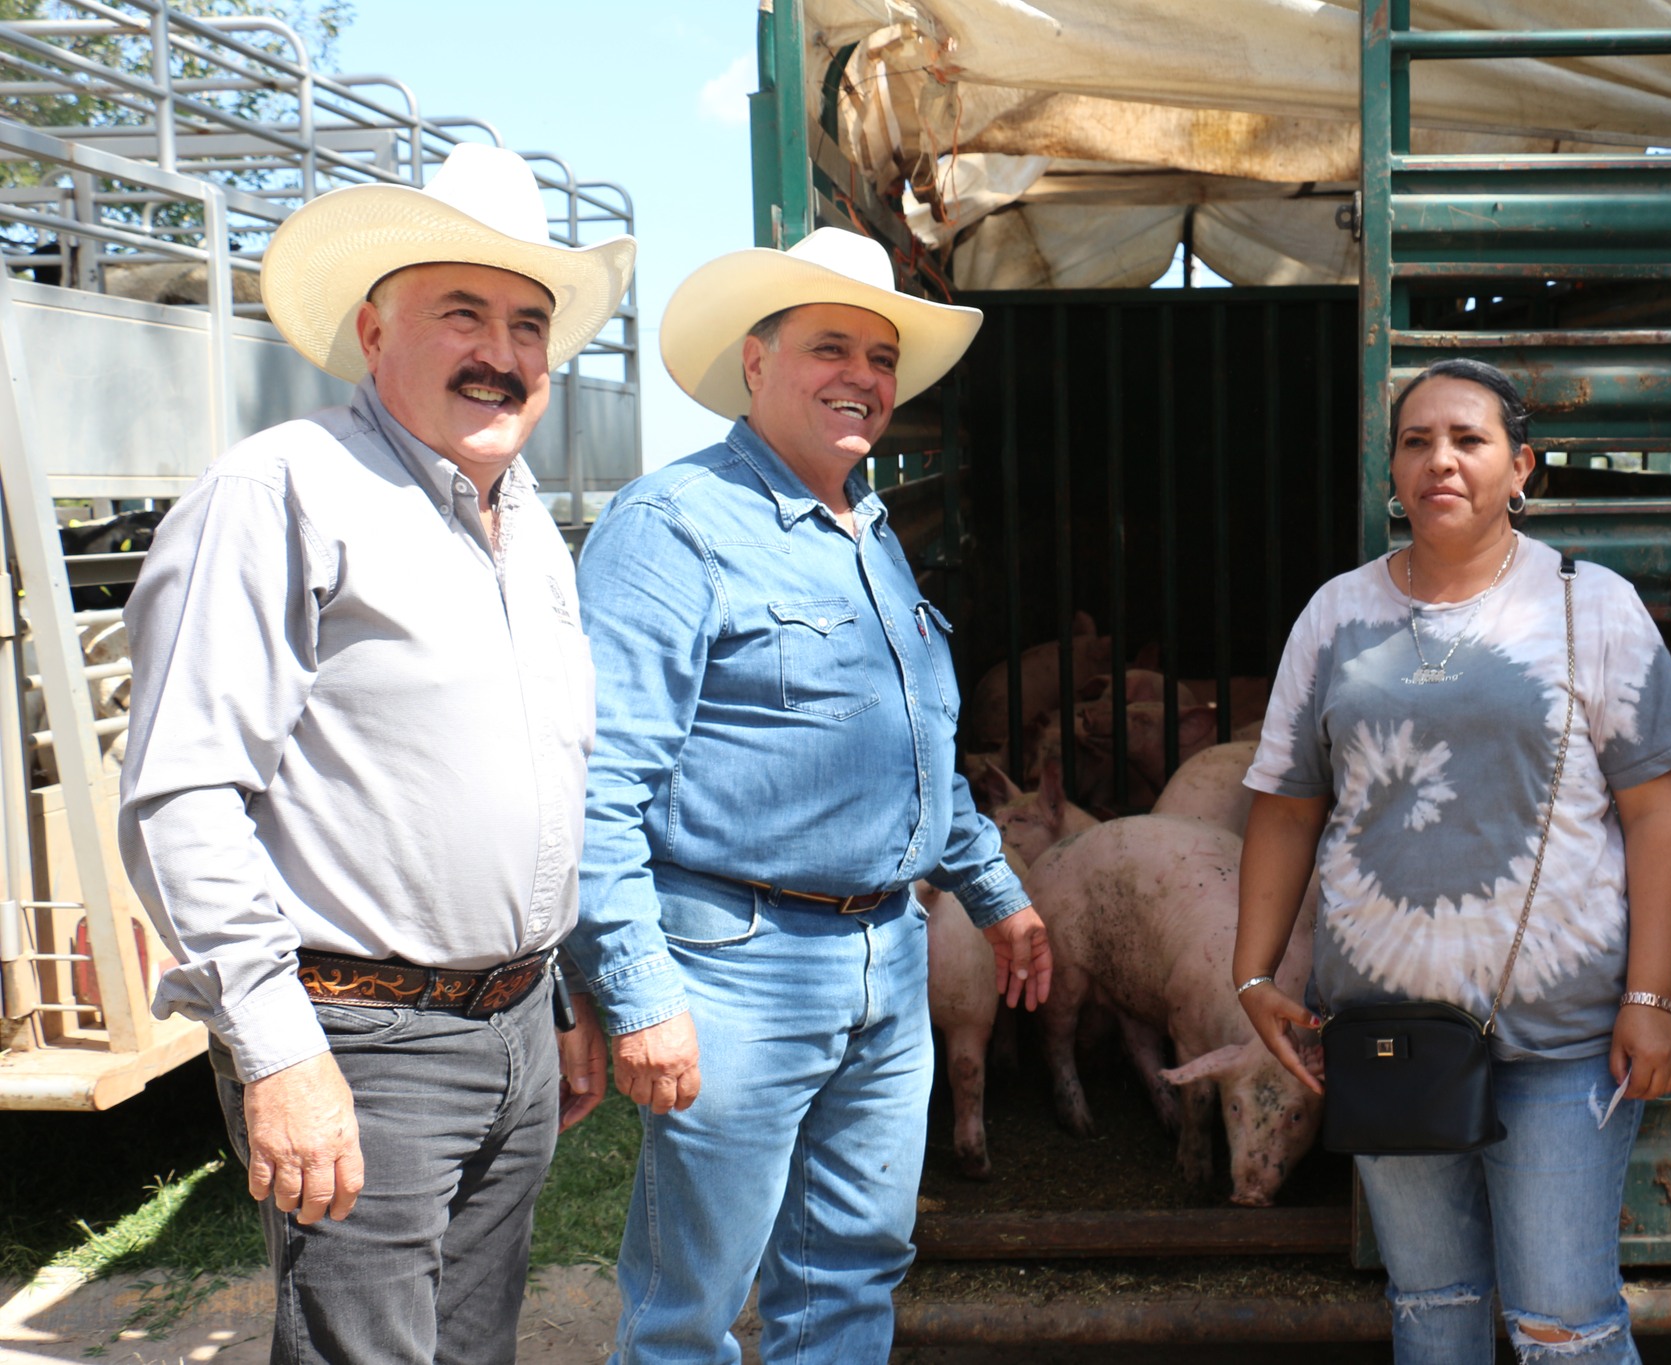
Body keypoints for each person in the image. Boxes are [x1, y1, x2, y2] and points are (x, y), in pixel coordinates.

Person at [118, 144, 634, 1364]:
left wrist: (550, 992)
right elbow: (185, 794)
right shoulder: (281, 493)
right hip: (360, 1039)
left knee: (471, 1351)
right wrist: (280, 1051)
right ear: (372, 328)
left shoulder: (530, 536)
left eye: (525, 324)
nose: (499, 354)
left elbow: (544, 779)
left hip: (509, 1027)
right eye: (461, 313)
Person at [567, 225, 1052, 1364]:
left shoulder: (871, 532)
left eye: (881, 359)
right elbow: (598, 785)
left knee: (850, 1275)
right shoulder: (671, 526)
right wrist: (637, 994)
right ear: (754, 360)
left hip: (890, 956)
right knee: (691, 1306)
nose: (863, 379)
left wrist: (992, 892)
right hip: (736, 965)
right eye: (830, 347)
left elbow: (914, 749)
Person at [1230, 358, 1671, 1364]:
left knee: (1562, 1327)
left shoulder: (1591, 608)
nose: (1437, 460)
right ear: (1391, 471)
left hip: (1562, 1038)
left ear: (1519, 466)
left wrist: (1651, 997)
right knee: (1432, 1311)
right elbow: (1284, 805)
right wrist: (1253, 972)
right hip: (1380, 1034)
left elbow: (1658, 817)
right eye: (1414, 442)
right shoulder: (1334, 617)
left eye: (1467, 439)